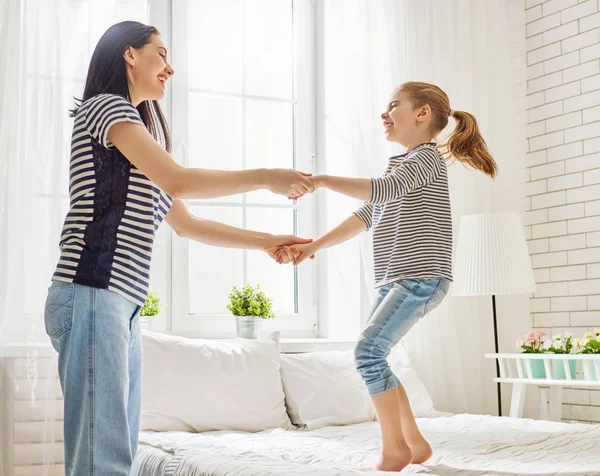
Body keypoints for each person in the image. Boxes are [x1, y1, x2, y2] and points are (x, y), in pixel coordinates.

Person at [44, 21, 311, 476]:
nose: (170, 67)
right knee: (101, 463)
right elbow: (179, 179)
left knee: (115, 457)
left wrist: (270, 240)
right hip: (92, 291)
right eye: (161, 54)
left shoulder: (137, 143)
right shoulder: (107, 109)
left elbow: (188, 224)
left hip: (117, 302)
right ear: (130, 55)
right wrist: (267, 175)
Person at [277, 81, 498, 472]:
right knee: (375, 355)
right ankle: (414, 444)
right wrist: (313, 246)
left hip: (420, 276)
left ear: (422, 113)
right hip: (396, 279)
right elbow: (366, 215)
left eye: (393, 105)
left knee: (367, 353)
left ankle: (395, 450)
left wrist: (323, 180)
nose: (384, 113)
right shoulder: (401, 163)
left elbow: (383, 190)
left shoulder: (426, 158)